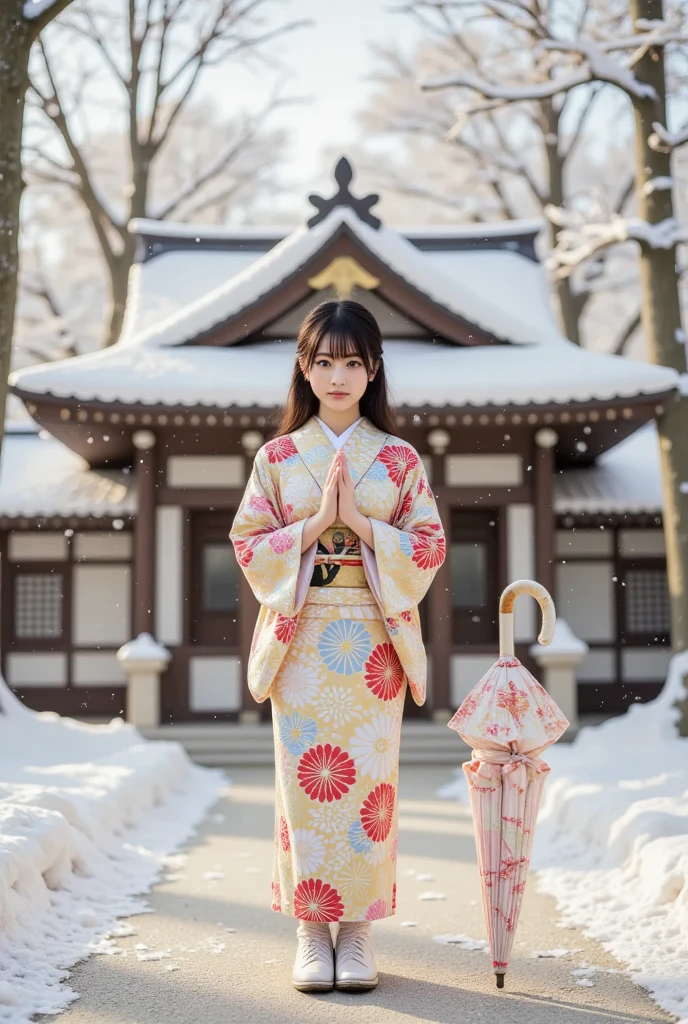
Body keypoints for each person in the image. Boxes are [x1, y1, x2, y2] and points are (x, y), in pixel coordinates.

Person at [229, 299, 445, 993]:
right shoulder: (278, 457)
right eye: (324, 362)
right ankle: (308, 928)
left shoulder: (399, 458)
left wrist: (362, 525)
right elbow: (247, 544)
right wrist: (317, 525)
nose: (338, 376)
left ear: (374, 368)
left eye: (353, 362)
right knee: (305, 784)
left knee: (368, 788)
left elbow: (431, 545)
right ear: (304, 368)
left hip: (373, 642)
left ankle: (356, 931)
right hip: (304, 634)